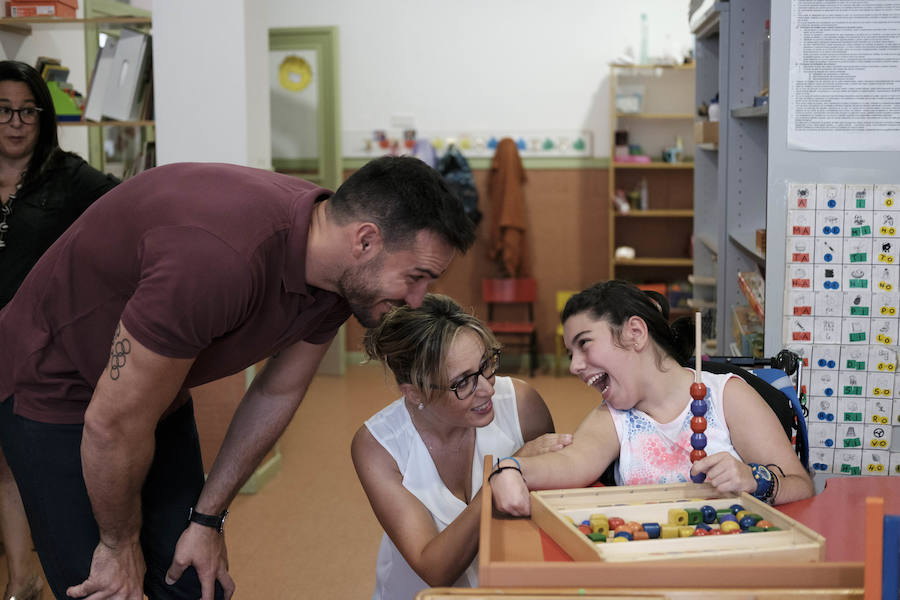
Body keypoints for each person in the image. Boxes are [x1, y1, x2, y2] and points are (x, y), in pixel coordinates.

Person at [0, 155, 476, 600]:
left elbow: (278, 390)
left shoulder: (338, 276)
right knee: (107, 586)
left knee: (193, 580)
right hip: (52, 390)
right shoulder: (216, 260)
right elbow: (110, 423)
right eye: (416, 276)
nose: (418, 300)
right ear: (366, 240)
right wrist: (119, 543)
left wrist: (209, 518)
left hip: (151, 397)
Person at [490, 280, 814, 517]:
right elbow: (569, 463)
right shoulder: (612, 417)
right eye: (570, 353)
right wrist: (511, 468)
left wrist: (755, 479)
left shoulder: (727, 395)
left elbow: (800, 483)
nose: (574, 366)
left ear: (635, 333)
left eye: (584, 344)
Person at [352, 294, 569, 599]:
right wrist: (505, 472)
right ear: (415, 393)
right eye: (462, 381)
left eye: (486, 365)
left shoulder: (522, 406)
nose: (487, 388)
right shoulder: (377, 445)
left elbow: (552, 517)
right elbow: (435, 569)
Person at [0, 60, 119, 600]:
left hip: (39, 349)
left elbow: (125, 214)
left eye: (28, 111)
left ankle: (73, 570)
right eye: (3, 111)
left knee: (41, 461)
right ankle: (21, 578)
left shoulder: (68, 175)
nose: (16, 123)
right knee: (2, 463)